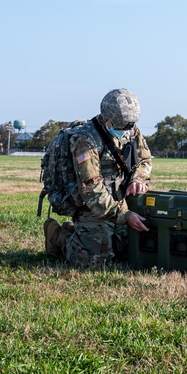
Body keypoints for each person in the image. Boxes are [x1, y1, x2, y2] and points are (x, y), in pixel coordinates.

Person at [45, 88, 152, 267]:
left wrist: (138, 178)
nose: (126, 131)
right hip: (91, 205)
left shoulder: (130, 128)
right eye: (120, 127)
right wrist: (125, 215)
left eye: (129, 126)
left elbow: (145, 159)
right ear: (107, 120)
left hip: (119, 199)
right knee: (95, 261)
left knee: (129, 251)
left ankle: (80, 234)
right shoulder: (85, 141)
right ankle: (58, 236)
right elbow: (91, 190)